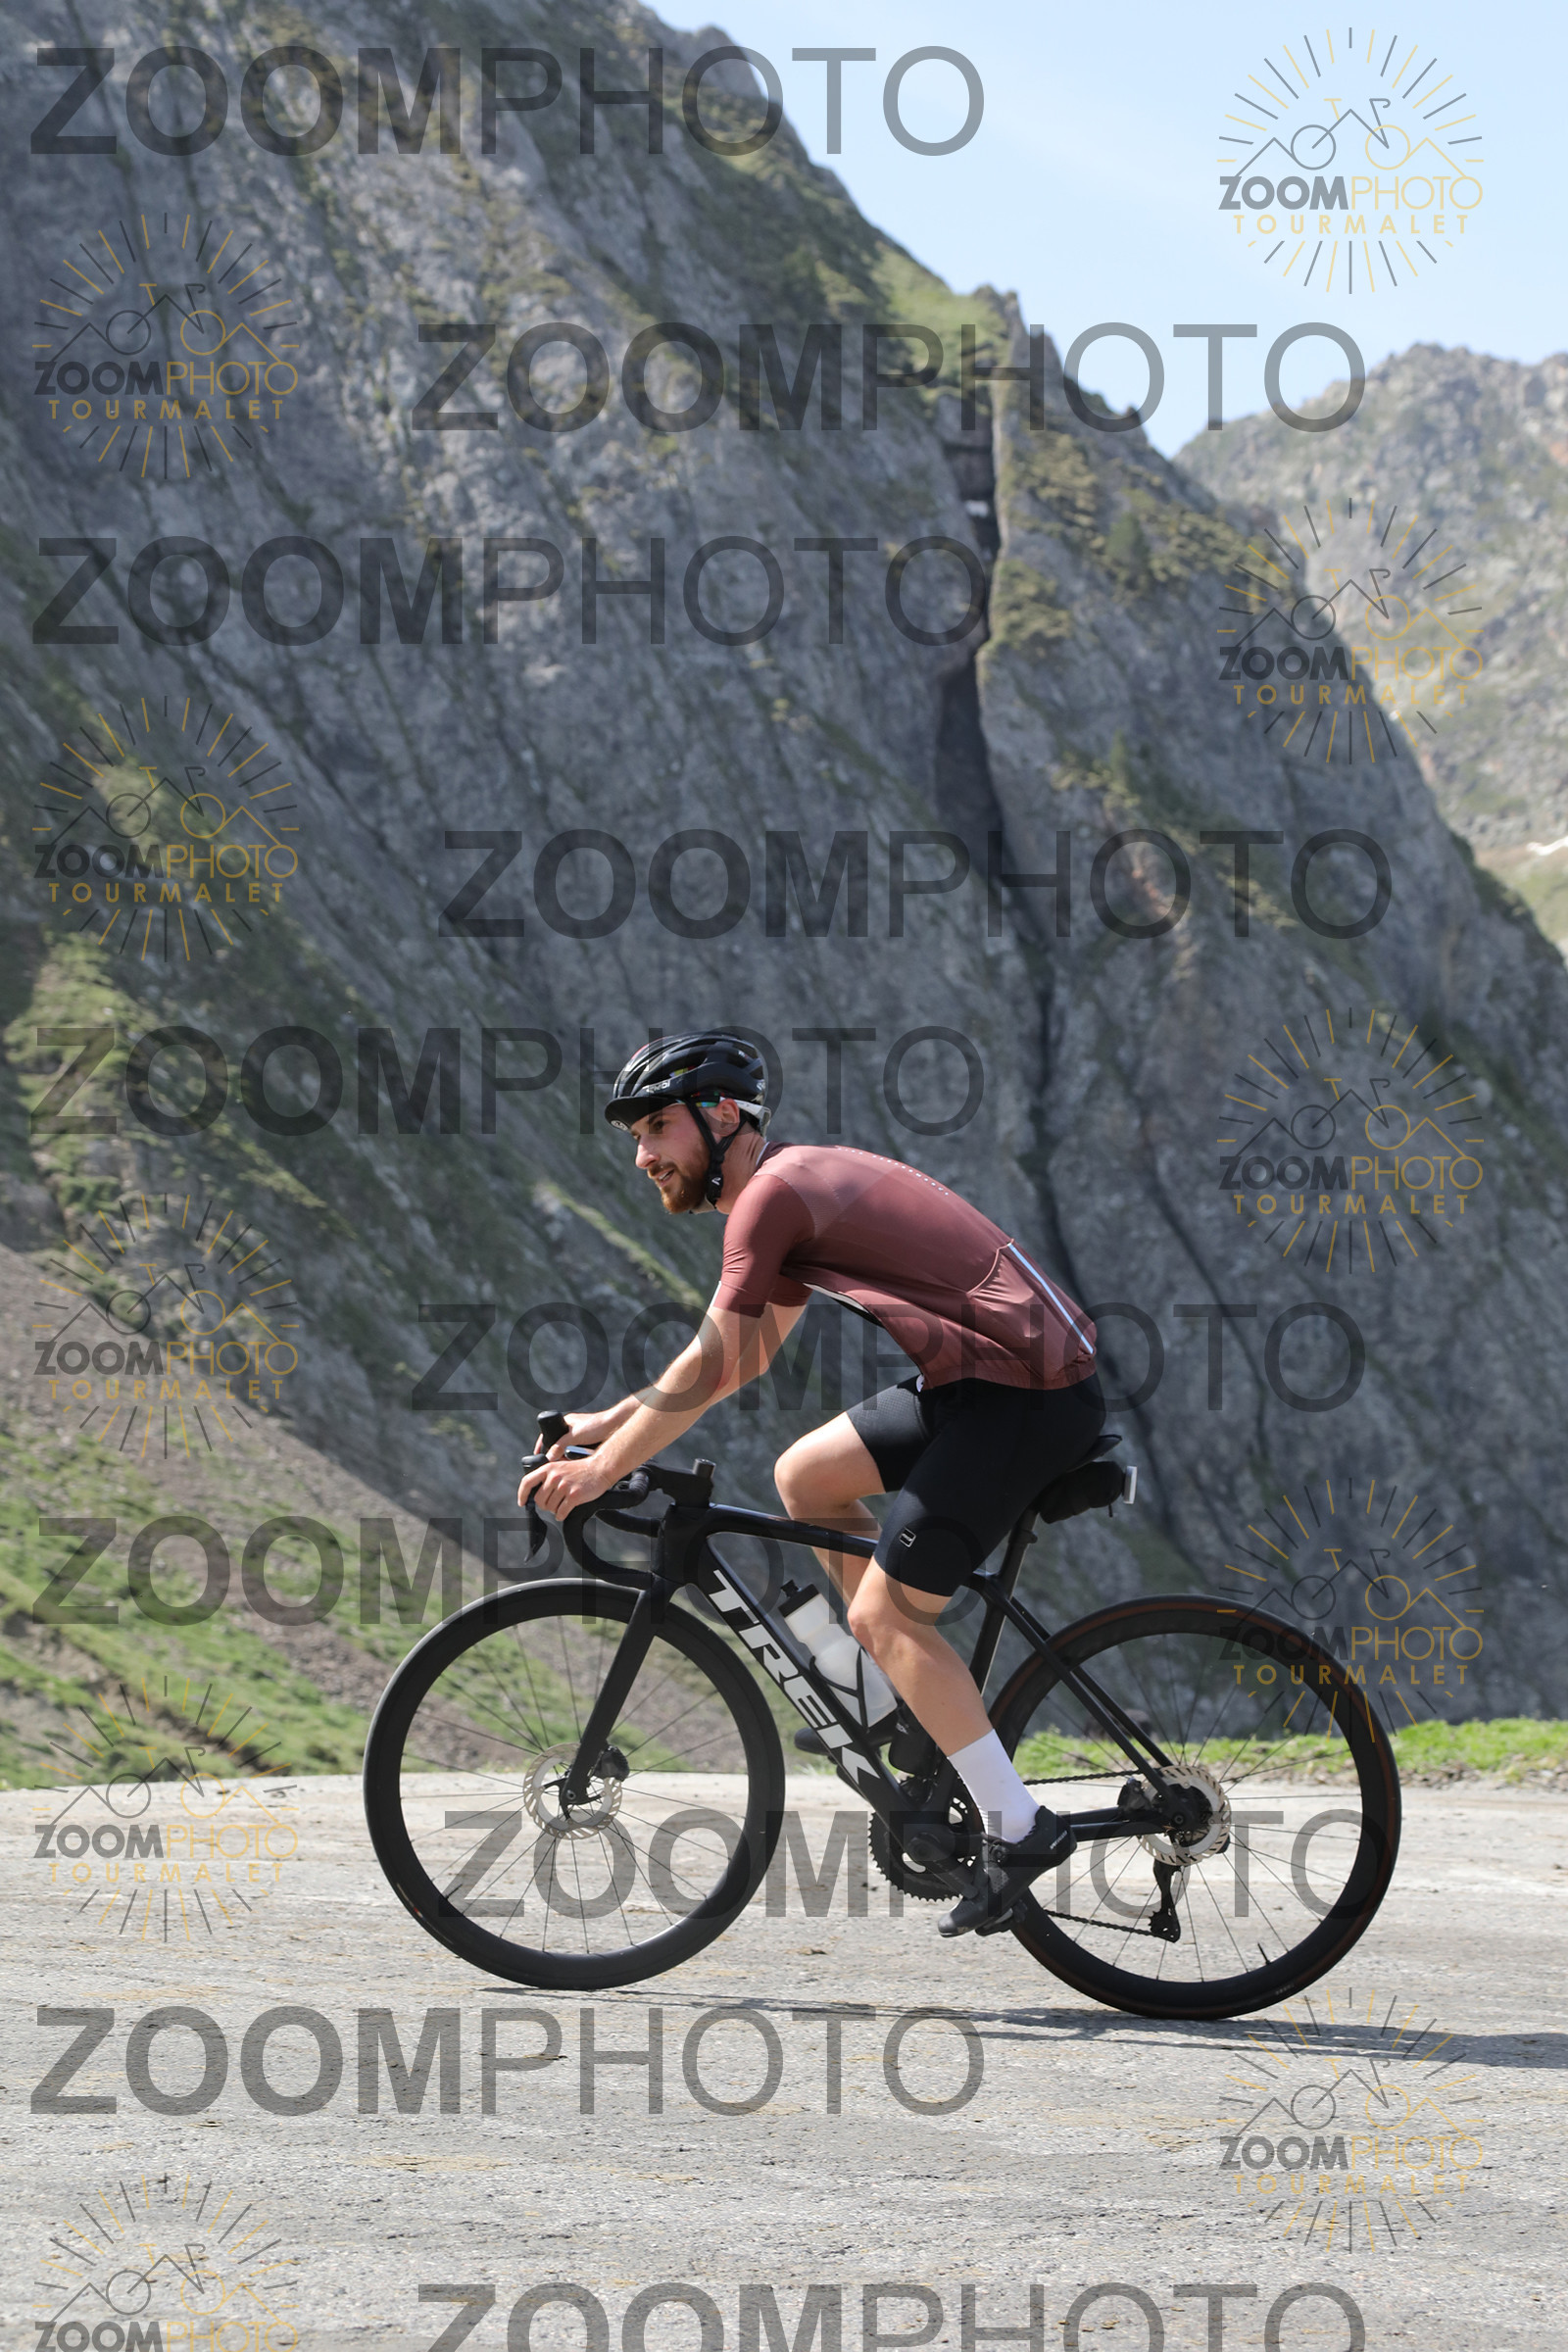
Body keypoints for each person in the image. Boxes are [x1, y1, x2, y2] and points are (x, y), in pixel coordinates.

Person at [518, 1030, 1105, 1936]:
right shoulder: (786, 1191)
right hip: (982, 1381)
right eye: (636, 1137)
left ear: (722, 1115)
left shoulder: (772, 1198)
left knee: (884, 1615)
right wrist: (603, 1424)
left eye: (657, 1128)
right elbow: (746, 1353)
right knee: (807, 1475)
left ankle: (1020, 1829)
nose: (642, 1157)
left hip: (1025, 1394)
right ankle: (898, 1700)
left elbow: (713, 1363)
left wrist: (606, 1468)